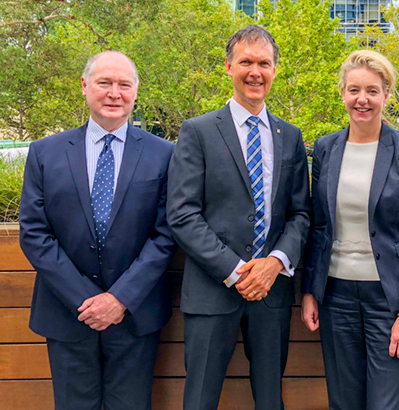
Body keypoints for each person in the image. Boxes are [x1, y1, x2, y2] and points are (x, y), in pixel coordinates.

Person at [19, 51, 177, 410]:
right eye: (105, 83)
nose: (114, 93)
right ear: (85, 85)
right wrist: (86, 301)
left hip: (135, 315)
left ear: (136, 91)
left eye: (124, 84)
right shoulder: (44, 153)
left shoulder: (165, 154)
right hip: (67, 314)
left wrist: (119, 299)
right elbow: (34, 233)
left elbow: (166, 234)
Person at [166, 25, 311, 410]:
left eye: (264, 63)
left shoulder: (290, 136)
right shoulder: (197, 132)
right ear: (229, 67)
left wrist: (274, 264)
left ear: (275, 70)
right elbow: (182, 214)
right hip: (212, 289)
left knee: (271, 399)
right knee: (199, 399)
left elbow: (301, 213)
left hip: (272, 293)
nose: (255, 72)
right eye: (246, 62)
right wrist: (235, 270)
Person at [301, 50, 399, 410]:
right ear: (342, 93)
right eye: (354, 90)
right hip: (335, 295)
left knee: (387, 403)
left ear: (386, 95)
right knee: (343, 401)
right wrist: (310, 290)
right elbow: (319, 226)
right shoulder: (326, 148)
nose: (363, 99)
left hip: (388, 299)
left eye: (372, 91)